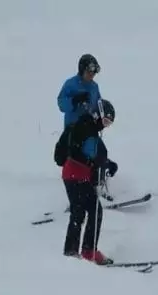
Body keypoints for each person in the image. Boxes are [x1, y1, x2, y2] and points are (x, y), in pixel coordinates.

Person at [60, 99, 118, 265]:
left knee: (91, 211)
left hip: (78, 176)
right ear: (97, 114)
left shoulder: (89, 130)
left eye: (108, 124)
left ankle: (84, 251)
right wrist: (98, 163)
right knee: (84, 211)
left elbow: (95, 156)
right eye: (105, 121)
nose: (105, 126)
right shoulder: (84, 128)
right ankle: (78, 252)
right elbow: (78, 152)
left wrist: (106, 164)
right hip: (74, 175)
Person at [56, 53, 117, 197]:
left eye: (94, 72)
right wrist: (74, 100)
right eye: (90, 72)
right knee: (81, 160)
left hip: (90, 129)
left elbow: (98, 105)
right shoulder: (70, 84)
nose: (92, 75)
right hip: (74, 131)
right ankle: (80, 192)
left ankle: (99, 187)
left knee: (101, 153)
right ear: (82, 70)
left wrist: (103, 117)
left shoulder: (94, 87)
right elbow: (61, 103)